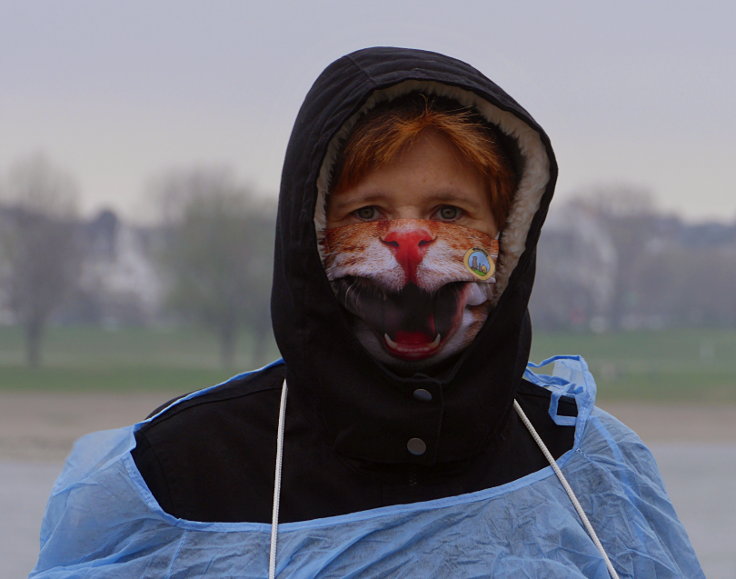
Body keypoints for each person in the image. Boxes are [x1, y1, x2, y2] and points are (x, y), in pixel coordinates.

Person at [32, 47, 703, 578]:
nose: (409, 241)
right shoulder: (180, 472)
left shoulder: (587, 463)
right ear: (310, 233)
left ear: (509, 239)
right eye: (367, 212)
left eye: (450, 212)